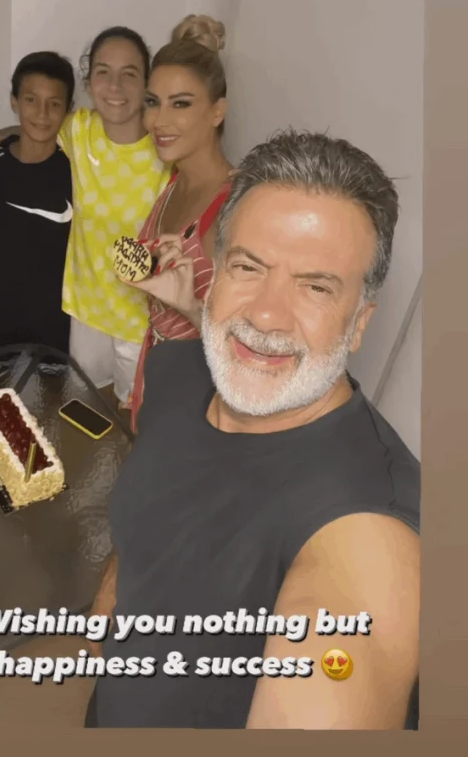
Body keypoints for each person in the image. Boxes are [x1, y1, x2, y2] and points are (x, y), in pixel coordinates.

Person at [85, 129, 420, 730]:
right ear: (216, 272)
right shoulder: (180, 370)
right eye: (248, 267)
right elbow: (149, 518)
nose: (266, 314)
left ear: (359, 323)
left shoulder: (370, 531)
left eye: (315, 286)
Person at [0, 28, 170, 409]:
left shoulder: (164, 150)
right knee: (74, 401)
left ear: (146, 81)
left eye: (129, 73)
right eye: (103, 72)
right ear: (89, 81)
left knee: (135, 411)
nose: (115, 86)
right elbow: (34, 128)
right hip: (82, 311)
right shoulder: (79, 132)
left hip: (136, 318)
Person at [120, 15, 233, 429]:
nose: (158, 121)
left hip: (201, 398)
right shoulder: (174, 181)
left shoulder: (234, 207)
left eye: (180, 104)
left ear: (217, 111)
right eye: (153, 102)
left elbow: (248, 348)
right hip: (157, 367)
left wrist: (186, 305)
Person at [0, 51, 74, 355]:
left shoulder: (77, 171)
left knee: (49, 384)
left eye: (54, 104)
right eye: (31, 100)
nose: (42, 114)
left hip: (57, 318)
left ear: (69, 110)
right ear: (14, 101)